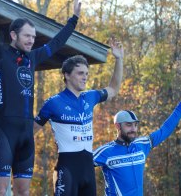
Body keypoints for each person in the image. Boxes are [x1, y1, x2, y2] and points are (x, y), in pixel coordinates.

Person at [0, 0, 82, 194]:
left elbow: (57, 43)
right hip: (5, 130)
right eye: (27, 36)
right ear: (14, 35)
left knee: (23, 192)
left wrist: (73, 19)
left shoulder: (33, 57)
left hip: (26, 133)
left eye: (33, 37)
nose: (32, 40)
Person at [33, 38, 123, 196]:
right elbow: (29, 132)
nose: (85, 77)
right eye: (80, 73)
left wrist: (119, 59)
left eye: (87, 74)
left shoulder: (91, 97)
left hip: (88, 168)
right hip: (67, 168)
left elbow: (114, 89)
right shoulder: (53, 103)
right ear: (67, 75)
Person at [93, 85, 181, 196]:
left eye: (135, 125)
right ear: (118, 126)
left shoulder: (142, 144)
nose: (133, 129)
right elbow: (77, 166)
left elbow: (165, 130)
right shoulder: (105, 152)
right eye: (128, 125)